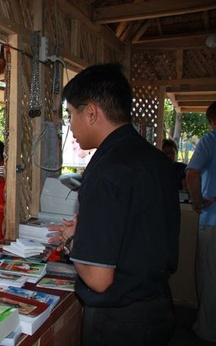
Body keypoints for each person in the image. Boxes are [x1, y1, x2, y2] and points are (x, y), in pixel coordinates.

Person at [49, 63, 179, 346]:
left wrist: (74, 240)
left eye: (70, 114)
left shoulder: (105, 170)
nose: (70, 125)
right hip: (158, 306)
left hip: (120, 323)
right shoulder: (155, 160)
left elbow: (98, 278)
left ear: (92, 112)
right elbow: (139, 227)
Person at [186, 100, 216, 343]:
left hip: (212, 221)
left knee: (209, 278)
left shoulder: (210, 141)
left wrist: (197, 202)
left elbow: (193, 172)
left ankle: (206, 330)